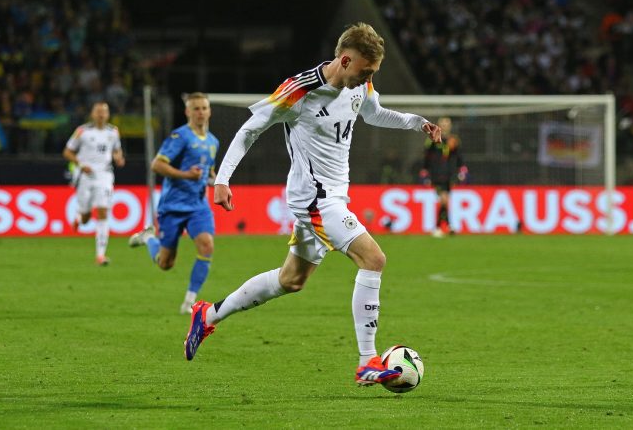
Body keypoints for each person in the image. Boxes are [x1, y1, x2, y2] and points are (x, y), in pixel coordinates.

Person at [182, 23, 442, 387]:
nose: (369, 79)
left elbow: (374, 113)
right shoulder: (300, 90)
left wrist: (417, 123)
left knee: (291, 279)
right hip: (315, 199)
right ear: (345, 59)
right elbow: (250, 130)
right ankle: (367, 360)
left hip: (334, 195)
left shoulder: (359, 83)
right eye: (365, 71)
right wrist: (223, 179)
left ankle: (207, 314)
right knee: (374, 259)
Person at [129, 92, 219, 314]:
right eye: (195, 109)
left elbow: (210, 170)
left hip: (198, 206)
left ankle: (189, 302)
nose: (200, 112)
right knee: (165, 263)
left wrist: (216, 180)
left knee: (207, 245)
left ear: (209, 111)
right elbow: (157, 165)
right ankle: (149, 237)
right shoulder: (179, 137)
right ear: (188, 112)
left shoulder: (213, 141)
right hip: (173, 206)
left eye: (204, 108)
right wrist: (186, 175)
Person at [63, 101, 125, 266]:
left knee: (103, 211)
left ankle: (100, 255)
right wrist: (81, 164)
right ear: (92, 114)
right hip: (85, 175)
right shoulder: (82, 131)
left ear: (108, 114)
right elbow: (67, 152)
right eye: (98, 112)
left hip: (105, 174)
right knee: (86, 217)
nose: (101, 115)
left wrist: (119, 157)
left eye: (104, 112)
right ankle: (79, 216)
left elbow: (117, 149)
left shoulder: (113, 132)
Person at [421, 116, 467, 237]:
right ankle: (442, 226)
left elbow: (459, 157)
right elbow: (427, 157)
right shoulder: (432, 139)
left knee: (444, 201)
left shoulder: (453, 140)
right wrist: (425, 173)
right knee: (444, 199)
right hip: (436, 175)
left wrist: (462, 170)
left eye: (447, 123)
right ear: (439, 125)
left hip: (450, 175)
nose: (446, 126)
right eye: (443, 123)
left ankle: (444, 226)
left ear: (450, 126)